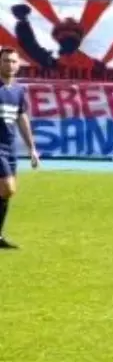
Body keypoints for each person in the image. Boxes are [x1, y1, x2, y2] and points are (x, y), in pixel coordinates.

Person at [0, 47, 40, 250]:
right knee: (8, 187)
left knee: (6, 193)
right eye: (6, 60)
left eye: (13, 61)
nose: (10, 64)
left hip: (9, 148)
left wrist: (32, 148)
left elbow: (22, 118)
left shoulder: (18, 91)